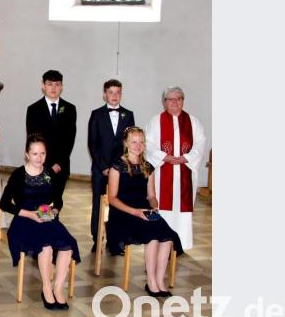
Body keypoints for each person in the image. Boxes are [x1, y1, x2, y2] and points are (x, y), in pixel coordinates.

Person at [0, 134, 80, 310]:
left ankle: (58, 288)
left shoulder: (49, 173)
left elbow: (58, 200)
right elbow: (4, 203)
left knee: (67, 244)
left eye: (42, 153)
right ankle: (46, 288)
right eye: (35, 154)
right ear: (27, 154)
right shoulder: (18, 174)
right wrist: (29, 214)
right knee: (46, 245)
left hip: (45, 217)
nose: (39, 158)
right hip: (24, 220)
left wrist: (54, 211)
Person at [106, 126, 184, 297]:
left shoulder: (147, 167)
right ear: (126, 143)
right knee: (153, 237)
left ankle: (159, 280)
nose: (138, 145)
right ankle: (151, 282)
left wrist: (154, 206)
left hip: (145, 210)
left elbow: (151, 196)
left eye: (141, 142)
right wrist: (135, 212)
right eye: (134, 142)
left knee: (167, 236)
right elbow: (112, 198)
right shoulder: (117, 167)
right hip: (123, 213)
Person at [144, 86, 206, 250]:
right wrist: (165, 157)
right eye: (171, 99)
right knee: (162, 207)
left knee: (182, 210)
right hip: (163, 172)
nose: (175, 102)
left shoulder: (193, 122)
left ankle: (180, 244)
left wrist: (185, 158)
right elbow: (148, 144)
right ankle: (161, 241)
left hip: (185, 173)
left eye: (179, 98)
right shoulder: (155, 121)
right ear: (164, 102)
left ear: (183, 101)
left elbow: (200, 144)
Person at [87, 79, 135, 252]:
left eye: (118, 92)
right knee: (98, 204)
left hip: (120, 169)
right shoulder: (96, 114)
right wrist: (104, 167)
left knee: (118, 204)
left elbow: (129, 144)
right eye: (111, 92)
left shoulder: (128, 115)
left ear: (121, 94)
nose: (115, 96)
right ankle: (96, 240)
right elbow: (93, 143)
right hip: (100, 168)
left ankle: (116, 241)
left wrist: (117, 168)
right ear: (104, 94)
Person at [25, 70, 77, 212]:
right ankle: (41, 231)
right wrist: (47, 163)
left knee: (56, 201)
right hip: (40, 164)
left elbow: (70, 138)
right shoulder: (33, 109)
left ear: (62, 86)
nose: (53, 88)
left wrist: (58, 163)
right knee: (41, 200)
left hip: (61, 165)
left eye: (57, 84)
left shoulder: (70, 109)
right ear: (43, 86)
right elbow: (33, 139)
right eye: (50, 84)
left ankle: (53, 229)